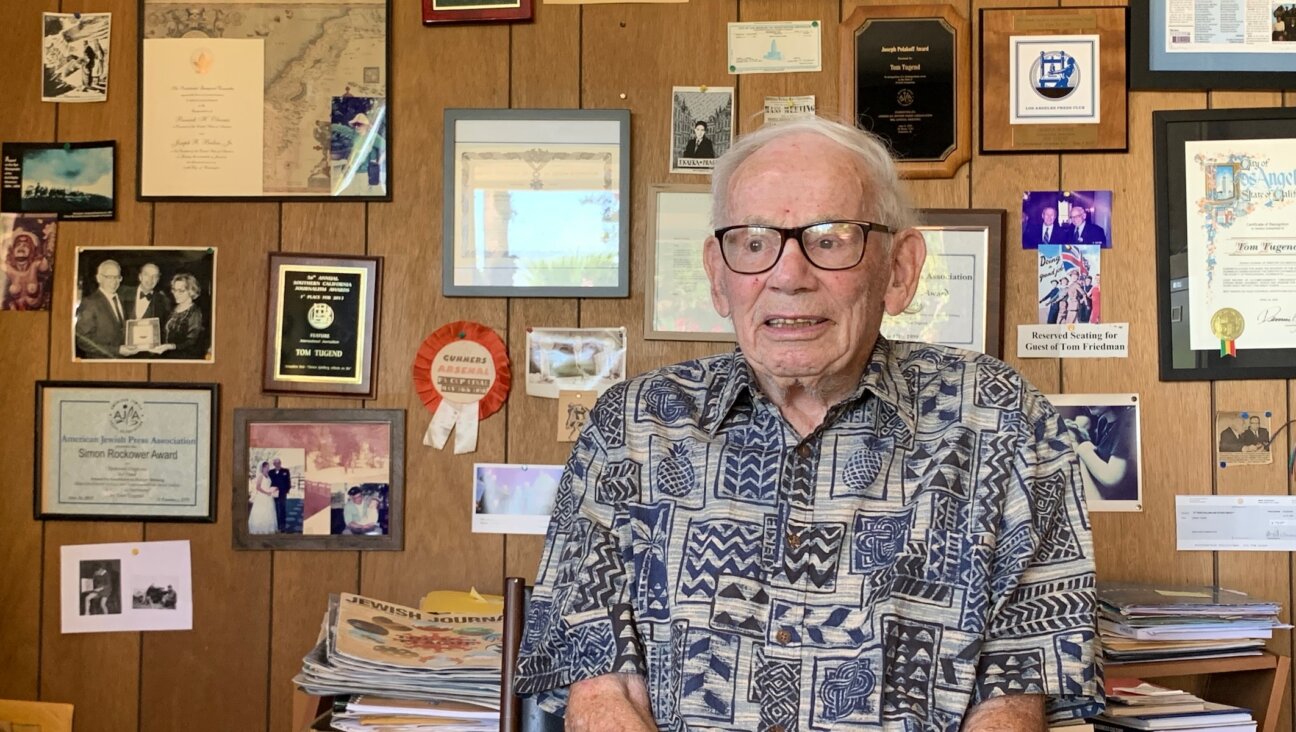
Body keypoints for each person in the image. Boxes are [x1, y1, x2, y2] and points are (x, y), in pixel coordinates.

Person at [514, 117, 1101, 730]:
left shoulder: (1003, 421)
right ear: (718, 275)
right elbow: (603, 695)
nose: (788, 275)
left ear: (899, 270)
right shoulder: (631, 429)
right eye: (753, 241)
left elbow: (1015, 696)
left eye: (830, 238)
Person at [74, 259, 132, 358]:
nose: (114, 281)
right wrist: (117, 350)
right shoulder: (90, 303)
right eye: (109, 277)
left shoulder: (121, 299)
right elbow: (82, 340)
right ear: (99, 278)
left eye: (117, 277)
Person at [156, 273, 206, 359]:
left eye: (181, 291)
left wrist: (171, 346)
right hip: (168, 355)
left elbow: (192, 342)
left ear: (191, 291)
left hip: (184, 357)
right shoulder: (174, 308)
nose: (176, 294)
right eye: (174, 290)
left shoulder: (195, 313)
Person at [248, 461, 279, 535]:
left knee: (269, 512)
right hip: (262, 497)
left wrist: (273, 489)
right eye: (267, 467)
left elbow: (267, 485)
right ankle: (260, 529)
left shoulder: (268, 475)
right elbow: (258, 487)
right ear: (263, 468)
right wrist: (266, 493)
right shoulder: (261, 476)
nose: (268, 468)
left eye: (268, 467)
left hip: (269, 496)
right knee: (261, 513)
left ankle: (268, 529)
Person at [268, 457, 293, 532]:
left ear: (280, 463)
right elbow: (268, 482)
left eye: (278, 463)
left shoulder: (285, 471)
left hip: (282, 493)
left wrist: (286, 490)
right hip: (273, 493)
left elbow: (288, 481)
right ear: (273, 464)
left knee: (282, 508)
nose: (277, 464)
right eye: (275, 463)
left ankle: (282, 525)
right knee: (274, 509)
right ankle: (276, 524)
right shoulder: (270, 472)